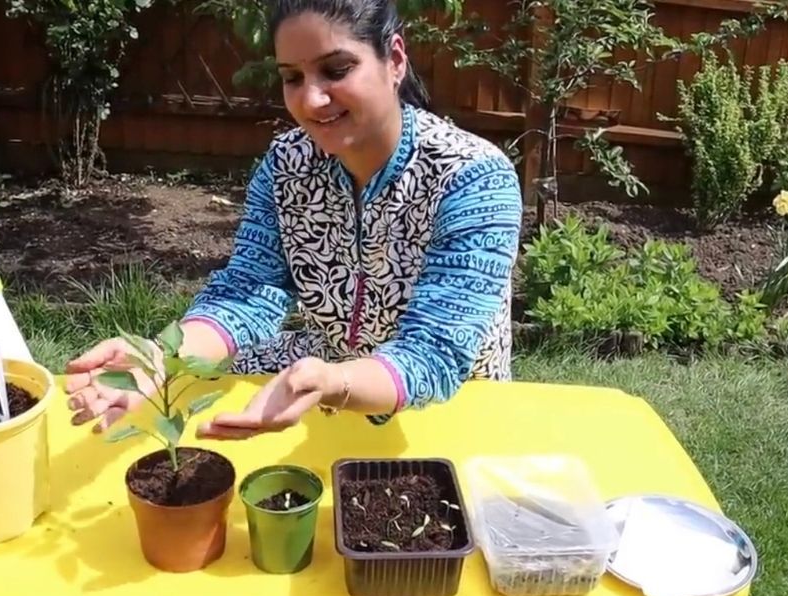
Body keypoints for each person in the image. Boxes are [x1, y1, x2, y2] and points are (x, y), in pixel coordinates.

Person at [64, 0, 524, 440]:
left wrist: (333, 382)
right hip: (321, 374)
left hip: (449, 402)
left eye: (336, 69)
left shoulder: (472, 179)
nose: (312, 99)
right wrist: (157, 360)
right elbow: (249, 292)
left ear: (395, 59)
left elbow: (435, 353)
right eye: (291, 77)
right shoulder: (287, 167)